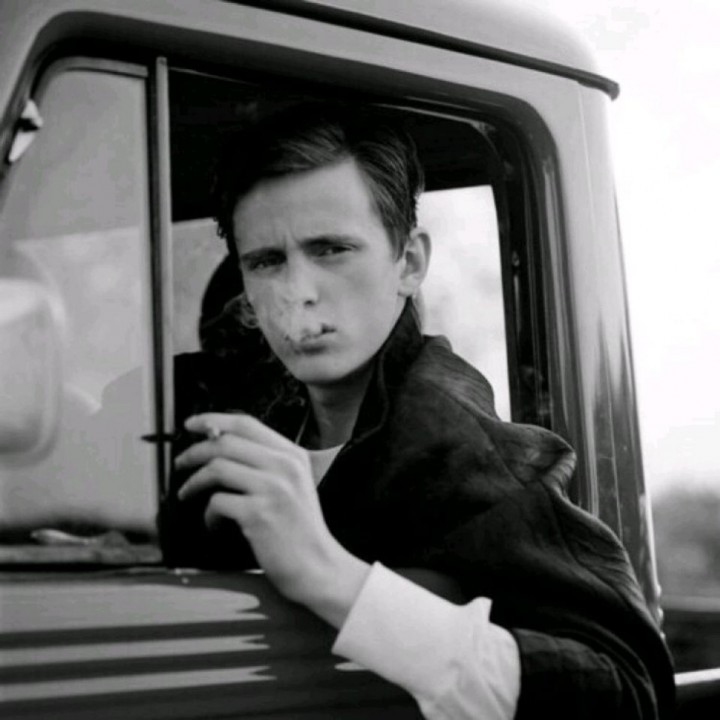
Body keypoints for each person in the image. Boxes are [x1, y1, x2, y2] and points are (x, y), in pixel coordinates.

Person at [160, 103, 675, 719]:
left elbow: (628, 691)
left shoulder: (460, 445)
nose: (297, 293)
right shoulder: (223, 409)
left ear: (409, 263)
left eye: (332, 250)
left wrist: (328, 573)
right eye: (267, 261)